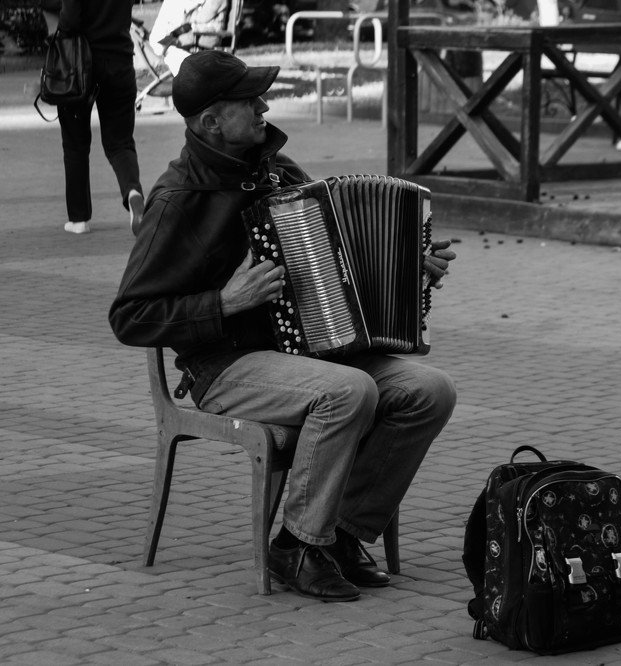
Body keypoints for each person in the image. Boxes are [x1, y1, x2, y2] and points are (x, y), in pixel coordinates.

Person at [108, 50, 457, 602]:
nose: (263, 107)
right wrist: (223, 302)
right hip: (224, 365)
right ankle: (297, 544)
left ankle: (340, 534)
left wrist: (409, 268)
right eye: (250, 101)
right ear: (210, 122)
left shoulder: (277, 172)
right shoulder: (178, 200)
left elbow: (338, 255)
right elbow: (129, 317)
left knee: (428, 391)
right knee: (348, 392)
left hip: (309, 353)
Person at [40, 0, 144, 235]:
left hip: (78, 65)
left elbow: (70, 21)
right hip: (120, 61)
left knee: (75, 144)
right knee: (121, 142)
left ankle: (79, 219)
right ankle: (133, 193)